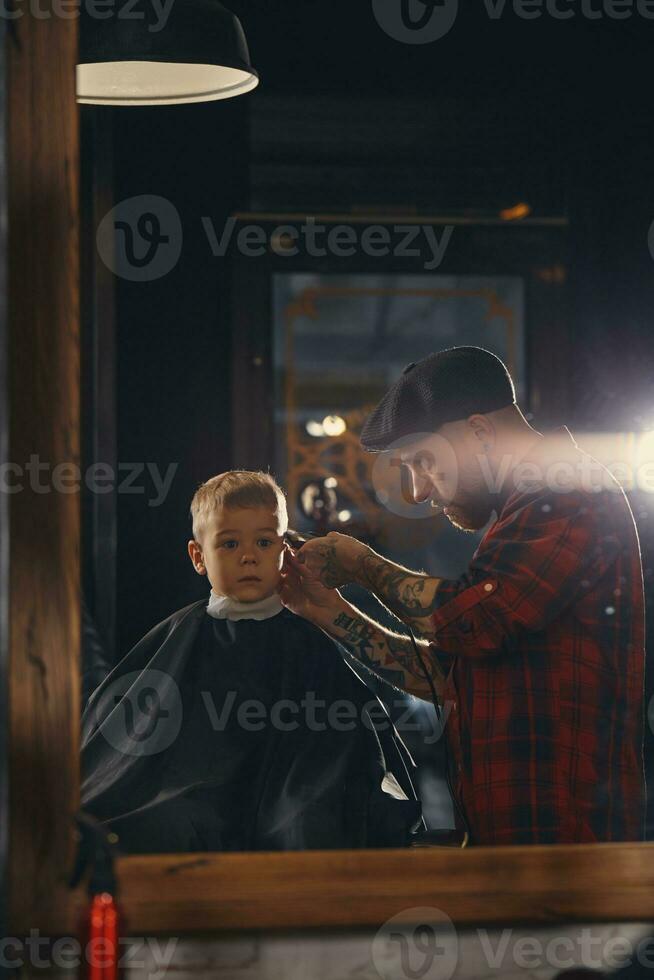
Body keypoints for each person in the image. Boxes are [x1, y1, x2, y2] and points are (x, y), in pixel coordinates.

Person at [280, 346, 646, 846]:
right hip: (525, 849)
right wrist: (327, 610)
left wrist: (363, 565)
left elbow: (478, 619)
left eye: (422, 462)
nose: (416, 492)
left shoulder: (569, 491)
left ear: (478, 433)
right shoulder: (525, 513)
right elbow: (449, 674)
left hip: (568, 852)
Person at [80, 470, 422, 854]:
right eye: (228, 543)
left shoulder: (306, 638)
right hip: (195, 792)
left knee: (311, 824)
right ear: (198, 556)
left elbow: (340, 745)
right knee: (163, 824)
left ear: (284, 549)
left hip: (300, 787)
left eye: (263, 541)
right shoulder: (177, 637)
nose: (248, 556)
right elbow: (125, 746)